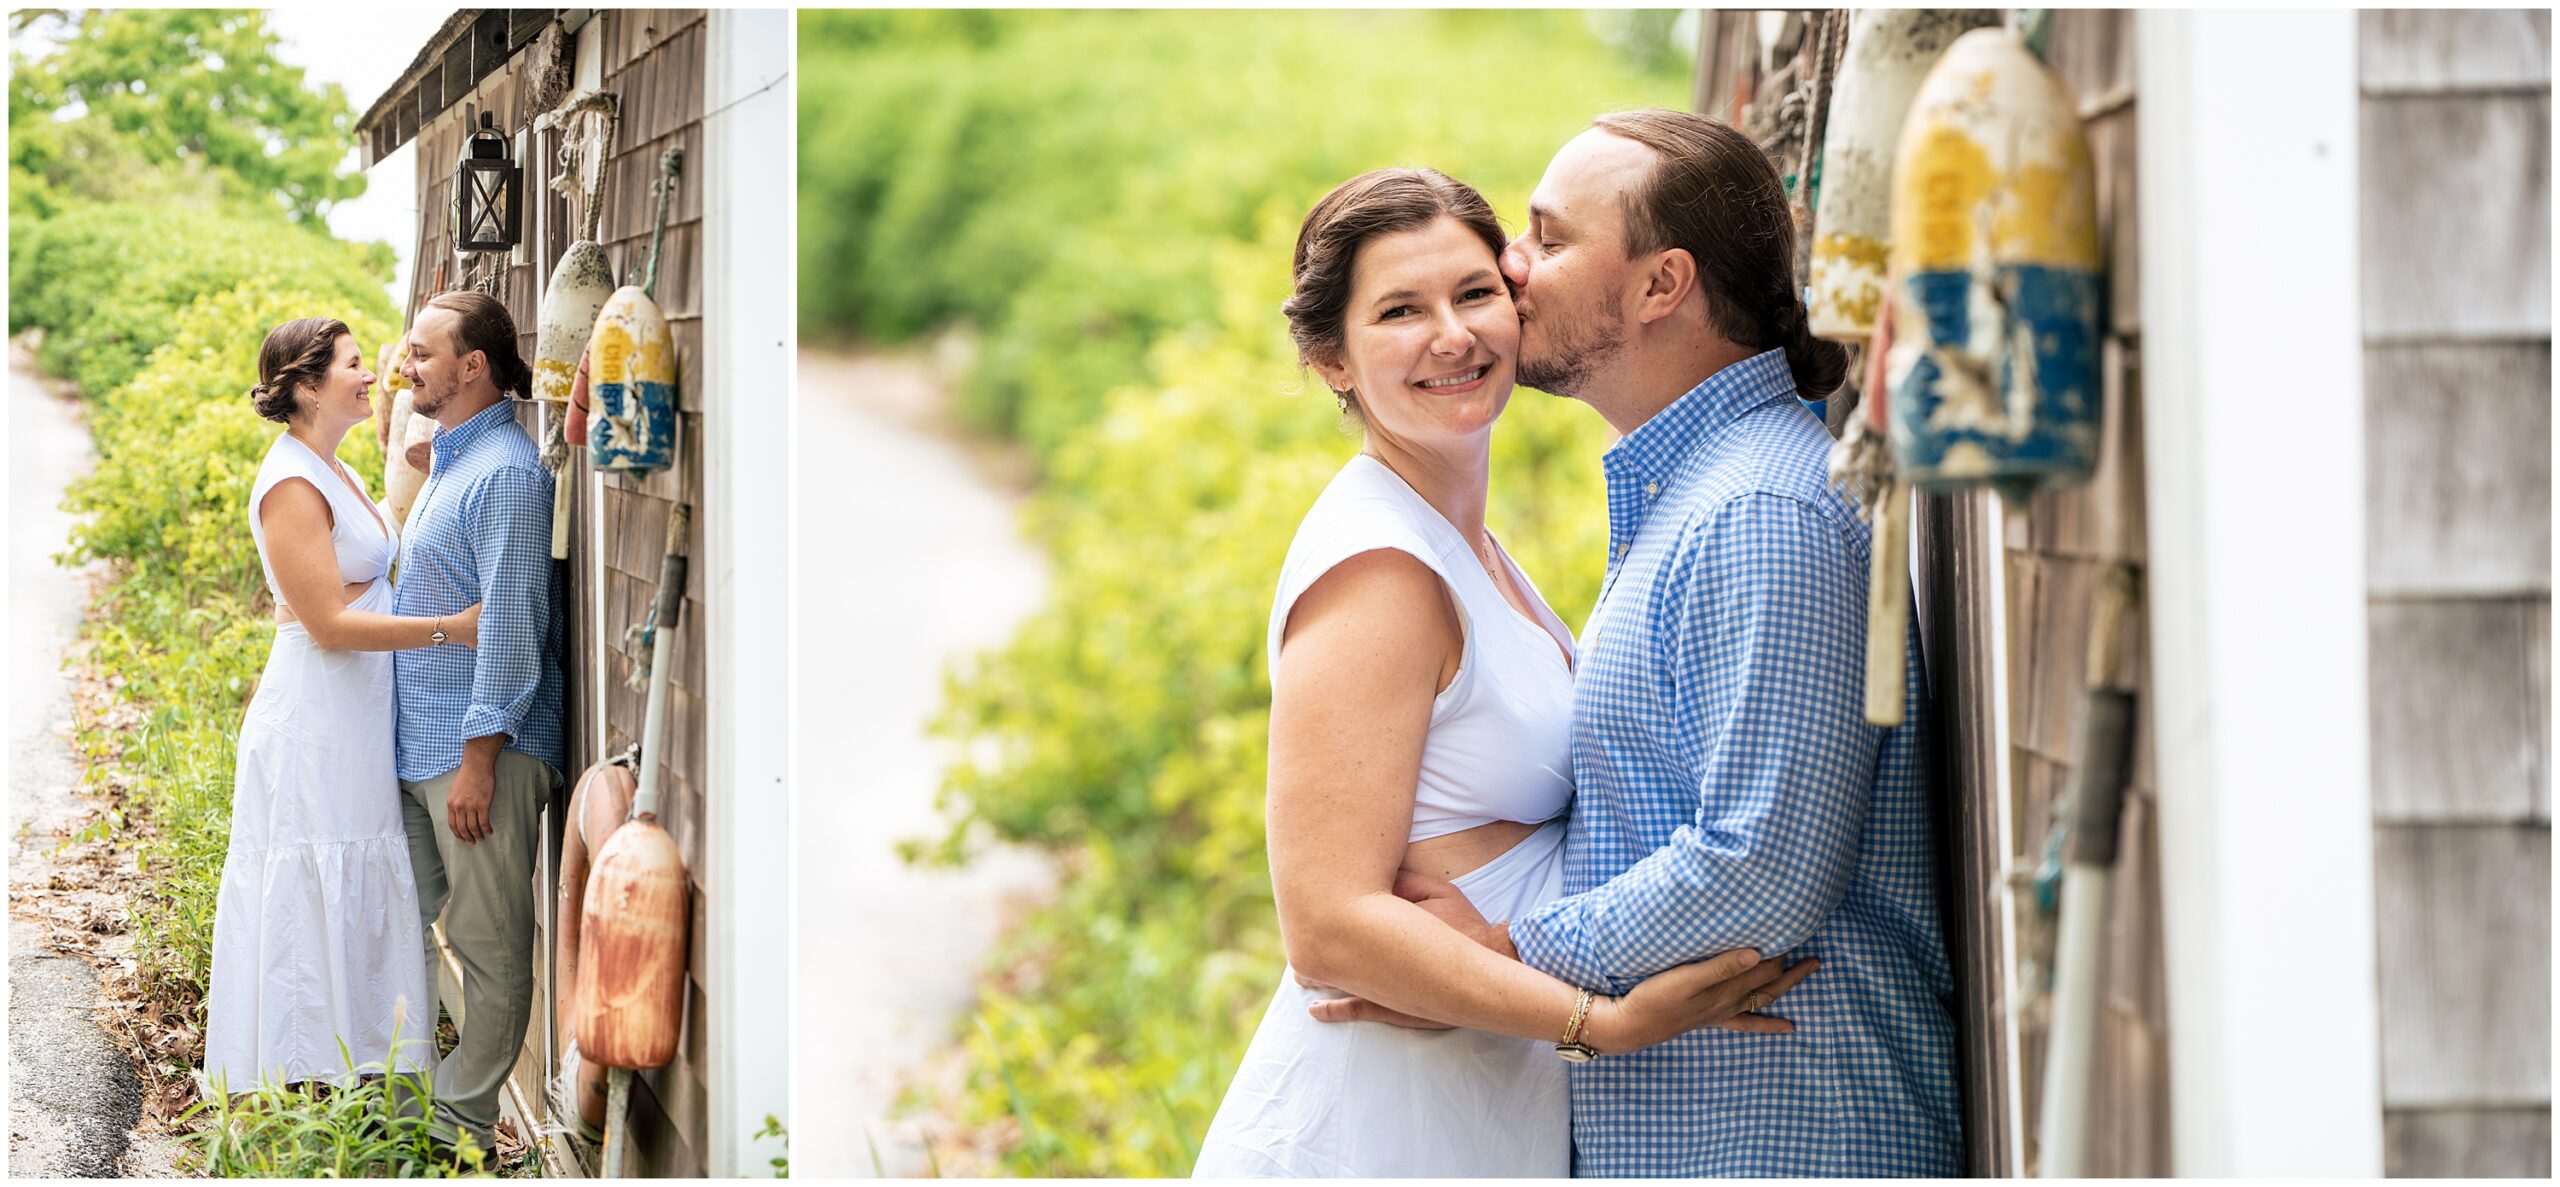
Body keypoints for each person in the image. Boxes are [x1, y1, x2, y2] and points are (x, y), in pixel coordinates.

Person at [1314, 110, 1961, 1176]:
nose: (1511, 268)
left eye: (1550, 237)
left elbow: (1763, 864)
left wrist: (1516, 952)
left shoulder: (1760, 510)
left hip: (1787, 1132)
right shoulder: (1693, 499)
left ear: (1661, 285)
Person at [1191, 168, 1817, 1179]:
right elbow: (1329, 924)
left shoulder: (1461, 541)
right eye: (1399, 310)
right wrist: (1597, 1020)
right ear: (1329, 360)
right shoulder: (1380, 570)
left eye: (1474, 293)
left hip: (1476, 1092)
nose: (1452, 335)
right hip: (1386, 1116)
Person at [203, 318, 481, 1093]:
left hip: (354, 718)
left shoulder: (336, 467)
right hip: (314, 721)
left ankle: (358, 1073)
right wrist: (447, 629)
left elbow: (359, 578)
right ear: (304, 385)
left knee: (358, 877)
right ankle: (301, 1080)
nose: (372, 376)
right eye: (356, 366)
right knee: (308, 882)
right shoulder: (291, 482)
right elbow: (327, 622)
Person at [392, 291, 567, 1151]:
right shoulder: (453, 462)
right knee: (397, 925)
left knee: (490, 949)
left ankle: (454, 1130)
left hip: (479, 753)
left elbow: (510, 620)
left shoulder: (506, 473)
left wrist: (479, 757)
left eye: (423, 352)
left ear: (473, 367)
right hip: (423, 747)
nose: (405, 362)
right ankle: (407, 1105)